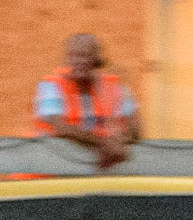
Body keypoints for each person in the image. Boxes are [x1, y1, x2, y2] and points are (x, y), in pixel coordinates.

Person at [32, 33, 138, 169]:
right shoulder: (52, 86)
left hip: (91, 174)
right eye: (72, 56)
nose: (78, 61)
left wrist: (119, 142)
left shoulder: (116, 87)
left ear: (97, 60)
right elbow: (62, 128)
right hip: (44, 175)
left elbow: (135, 129)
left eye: (84, 55)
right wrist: (104, 142)